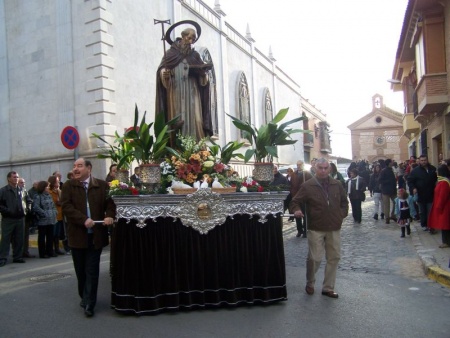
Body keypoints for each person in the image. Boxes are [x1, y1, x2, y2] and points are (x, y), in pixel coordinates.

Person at [61, 158, 115, 317]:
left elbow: (110, 205)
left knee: (92, 270)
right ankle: (84, 296)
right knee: (81, 271)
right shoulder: (68, 186)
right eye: (74, 166)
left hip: (96, 237)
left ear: (89, 168)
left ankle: (90, 302)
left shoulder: (102, 185)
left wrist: (109, 216)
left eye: (79, 166)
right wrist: (83, 220)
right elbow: (66, 207)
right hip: (77, 237)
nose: (75, 169)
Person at [290, 158, 349, 299]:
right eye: (320, 168)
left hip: (334, 227)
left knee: (334, 257)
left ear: (329, 169)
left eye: (325, 168)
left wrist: (341, 215)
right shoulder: (308, 185)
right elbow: (294, 202)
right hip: (316, 227)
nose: (323, 170)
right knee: (315, 257)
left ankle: (328, 287)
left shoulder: (337, 184)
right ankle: (310, 281)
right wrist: (296, 210)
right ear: (315, 169)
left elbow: (344, 202)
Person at [155, 26, 213, 140]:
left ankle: (197, 148)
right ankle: (176, 148)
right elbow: (162, 70)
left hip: (192, 91)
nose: (191, 41)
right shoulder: (170, 54)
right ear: (183, 36)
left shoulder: (195, 55)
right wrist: (164, 74)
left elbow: (203, 77)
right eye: (189, 37)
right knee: (178, 118)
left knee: (196, 118)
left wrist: (203, 74)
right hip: (176, 90)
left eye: (193, 39)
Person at [0, 172, 27, 267]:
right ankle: (3, 258)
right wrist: (8, 211)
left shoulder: (22, 190)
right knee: (6, 239)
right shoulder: (3, 191)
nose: (16, 178)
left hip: (20, 218)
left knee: (19, 239)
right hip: (8, 219)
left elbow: (28, 200)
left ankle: (18, 257)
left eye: (17, 177)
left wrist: (27, 209)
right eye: (14, 177)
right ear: (9, 179)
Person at [407, 154, 437, 232]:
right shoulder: (415, 171)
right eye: (422, 160)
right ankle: (424, 224)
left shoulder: (432, 169)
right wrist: (413, 188)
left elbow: (436, 180)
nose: (423, 162)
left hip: (431, 193)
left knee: (430, 210)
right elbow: (410, 181)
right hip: (421, 194)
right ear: (419, 161)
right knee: (422, 211)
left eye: (425, 160)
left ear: (427, 160)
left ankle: (431, 225)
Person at [32, 180, 57, 258]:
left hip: (51, 219)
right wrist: (44, 213)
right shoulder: (37, 196)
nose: (48, 188)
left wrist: (54, 212)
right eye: (47, 186)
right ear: (43, 187)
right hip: (43, 220)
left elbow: (53, 205)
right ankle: (42, 253)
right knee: (42, 237)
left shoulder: (48, 195)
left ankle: (50, 251)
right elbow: (36, 207)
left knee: (50, 236)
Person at [428, 165, 450, 248]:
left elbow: (443, 196)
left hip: (444, 207)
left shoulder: (444, 182)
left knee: (445, 225)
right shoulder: (442, 181)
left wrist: (439, 206)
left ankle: (446, 242)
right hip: (443, 206)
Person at [289, 160, 313, 238]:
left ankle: (305, 230)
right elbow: (291, 185)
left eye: (300, 165)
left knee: (305, 215)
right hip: (296, 197)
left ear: (303, 165)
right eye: (297, 164)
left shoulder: (307, 174)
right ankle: (299, 230)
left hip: (305, 198)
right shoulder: (293, 174)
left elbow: (311, 184)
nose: (298, 166)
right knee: (297, 215)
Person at [18, 178, 35, 258]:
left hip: (25, 217)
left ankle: (25, 251)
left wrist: (28, 208)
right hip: (17, 217)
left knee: (25, 236)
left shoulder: (25, 191)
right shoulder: (14, 192)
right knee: (18, 236)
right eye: (21, 182)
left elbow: (29, 201)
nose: (23, 184)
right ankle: (18, 253)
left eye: (24, 182)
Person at [48, 175, 65, 255]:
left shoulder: (59, 191)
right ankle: (51, 250)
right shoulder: (49, 192)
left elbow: (63, 200)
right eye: (57, 181)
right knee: (52, 233)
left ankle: (57, 249)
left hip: (60, 215)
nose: (58, 183)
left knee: (57, 234)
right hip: (53, 215)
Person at [378, 159, 397, 224]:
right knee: (387, 205)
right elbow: (380, 180)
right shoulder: (384, 171)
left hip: (393, 190)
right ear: (389, 163)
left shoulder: (392, 169)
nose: (393, 162)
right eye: (392, 162)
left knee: (396, 202)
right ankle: (387, 218)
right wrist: (388, 181)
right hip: (385, 190)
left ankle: (393, 215)